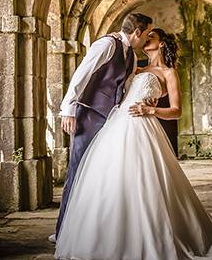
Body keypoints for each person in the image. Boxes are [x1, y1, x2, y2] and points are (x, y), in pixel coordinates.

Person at [54, 29, 212, 259]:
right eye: (146, 35)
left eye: (151, 37)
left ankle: (151, 235)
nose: (146, 39)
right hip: (118, 127)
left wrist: (150, 110)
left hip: (143, 127)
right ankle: (110, 236)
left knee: (147, 183)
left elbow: (176, 110)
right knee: (111, 181)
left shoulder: (169, 72)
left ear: (161, 43)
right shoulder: (135, 66)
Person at [51, 13, 153, 242]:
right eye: (146, 34)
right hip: (88, 114)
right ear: (136, 32)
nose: (146, 39)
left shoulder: (132, 56)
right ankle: (62, 232)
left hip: (110, 118)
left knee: (97, 174)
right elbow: (82, 73)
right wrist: (68, 108)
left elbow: (126, 87)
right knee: (77, 170)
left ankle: (87, 228)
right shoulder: (107, 44)